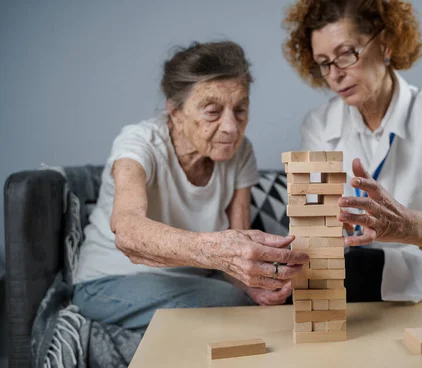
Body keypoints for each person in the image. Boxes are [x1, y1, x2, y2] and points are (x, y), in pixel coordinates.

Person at [72, 41, 309, 329]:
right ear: (175, 112)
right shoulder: (137, 144)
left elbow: (240, 239)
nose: (231, 127)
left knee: (265, 305)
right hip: (111, 281)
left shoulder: (240, 151)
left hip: (196, 278)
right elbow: (127, 230)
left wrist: (253, 285)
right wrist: (219, 251)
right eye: (212, 111)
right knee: (230, 305)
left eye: (240, 110)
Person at [282, 0, 422, 314]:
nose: (335, 75)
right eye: (324, 63)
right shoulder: (319, 124)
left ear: (385, 45)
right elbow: (315, 221)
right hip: (360, 270)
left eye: (346, 54)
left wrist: (405, 226)